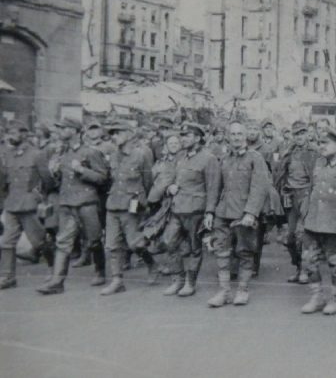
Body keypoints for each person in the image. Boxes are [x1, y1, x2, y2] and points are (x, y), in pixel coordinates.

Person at [37, 118, 110, 295]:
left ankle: (100, 271)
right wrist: (53, 172)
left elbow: (103, 178)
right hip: (67, 203)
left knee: (93, 240)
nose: (60, 131)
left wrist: (82, 171)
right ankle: (57, 281)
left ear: (75, 131)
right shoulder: (62, 153)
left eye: (64, 128)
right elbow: (59, 181)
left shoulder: (91, 152)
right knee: (63, 242)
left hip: (86, 203)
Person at [206, 122, 269, 308]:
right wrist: (210, 211)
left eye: (240, 134)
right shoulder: (224, 159)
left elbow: (259, 187)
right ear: (228, 136)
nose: (236, 137)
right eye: (232, 134)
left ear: (245, 136)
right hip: (223, 213)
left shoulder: (255, 158)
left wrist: (251, 212)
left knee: (245, 252)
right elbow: (215, 188)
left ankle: (242, 290)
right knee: (221, 252)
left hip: (243, 214)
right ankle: (224, 291)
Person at [160, 123, 221, 298]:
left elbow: (213, 188)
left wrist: (209, 212)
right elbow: (174, 179)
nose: (183, 139)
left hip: (196, 210)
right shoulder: (181, 157)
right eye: (182, 135)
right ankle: (177, 279)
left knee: (195, 248)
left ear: (198, 138)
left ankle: (190, 282)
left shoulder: (209, 158)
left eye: (187, 135)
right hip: (177, 208)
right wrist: (170, 187)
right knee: (168, 241)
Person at [99, 123, 158, 295]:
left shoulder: (141, 155)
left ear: (128, 134)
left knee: (135, 243)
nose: (114, 137)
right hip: (113, 205)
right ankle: (117, 281)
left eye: (117, 133)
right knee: (111, 244)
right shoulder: (113, 156)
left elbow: (148, 181)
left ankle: (152, 264)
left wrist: (144, 204)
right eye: (113, 134)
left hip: (132, 206)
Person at [299, 129, 336, 315]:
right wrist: (304, 215)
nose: (321, 146)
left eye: (325, 143)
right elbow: (312, 189)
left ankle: (335, 299)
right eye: (320, 143)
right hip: (313, 220)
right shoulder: (319, 163)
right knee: (309, 260)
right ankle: (317, 297)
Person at [0, 121, 55, 290]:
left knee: (38, 242)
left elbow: (47, 180)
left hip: (29, 205)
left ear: (24, 134)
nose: (9, 136)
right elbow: (3, 181)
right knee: (7, 242)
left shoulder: (36, 154)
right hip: (11, 204)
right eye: (9, 133)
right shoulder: (7, 154)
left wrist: (41, 198)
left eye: (13, 132)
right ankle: (8, 277)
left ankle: (55, 270)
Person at [275, 121, 318, 284]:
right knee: (290, 237)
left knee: (304, 235)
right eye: (296, 134)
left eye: (302, 133)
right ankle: (298, 267)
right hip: (290, 196)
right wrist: (283, 190)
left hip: (307, 195)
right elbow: (281, 174)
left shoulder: (314, 152)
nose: (299, 137)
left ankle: (306, 271)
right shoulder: (289, 152)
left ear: (307, 134)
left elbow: (318, 177)